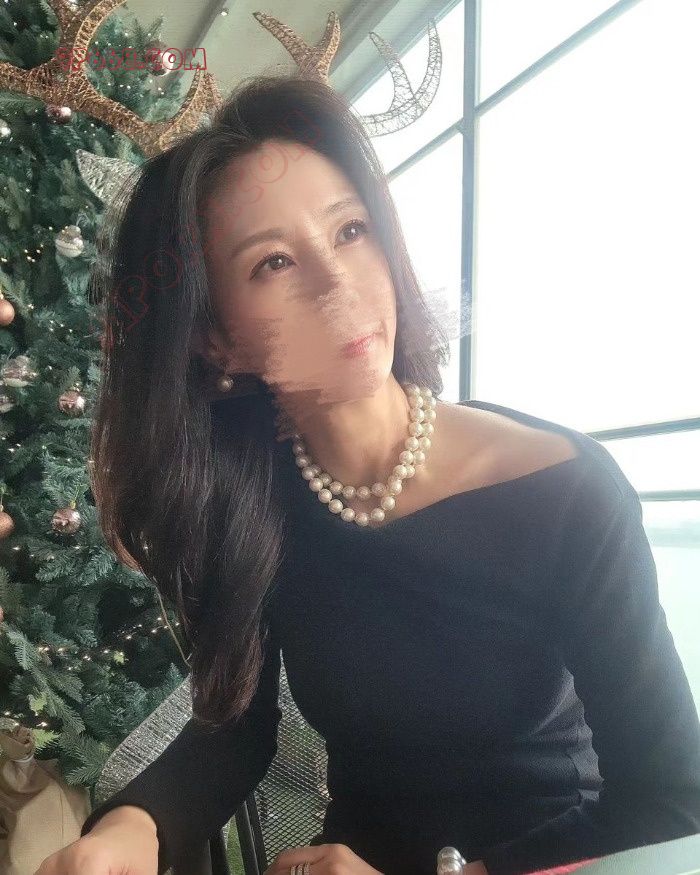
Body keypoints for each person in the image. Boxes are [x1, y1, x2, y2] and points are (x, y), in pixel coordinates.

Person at [35, 74, 700, 875]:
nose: (336, 283)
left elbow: (670, 796)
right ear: (216, 338)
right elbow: (234, 724)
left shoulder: (564, 492)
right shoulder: (247, 502)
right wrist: (127, 833)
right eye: (274, 262)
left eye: (350, 230)